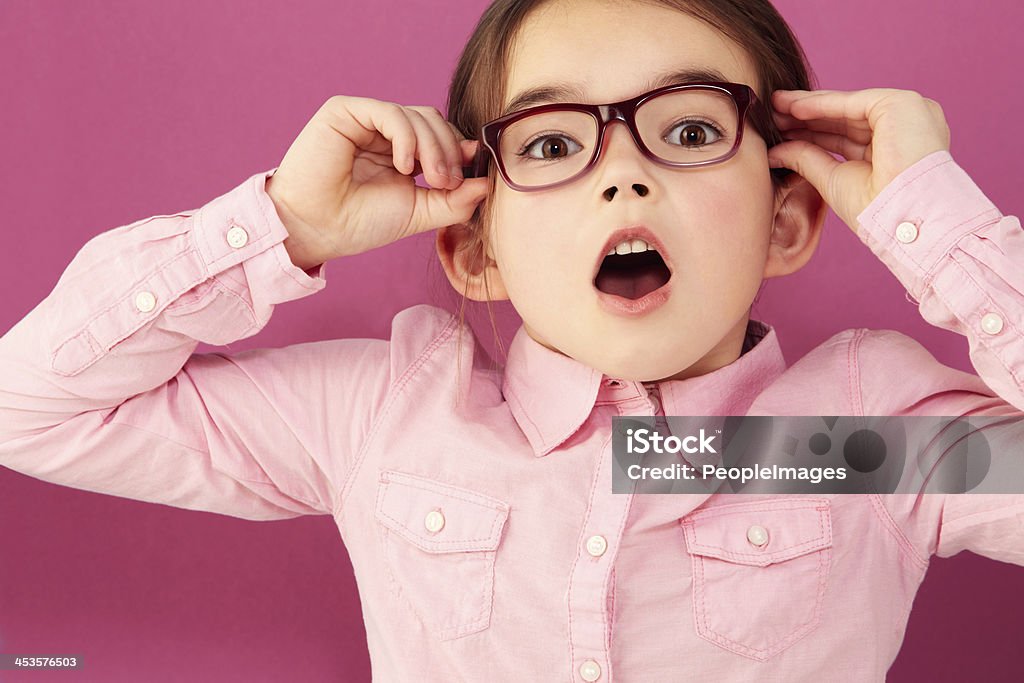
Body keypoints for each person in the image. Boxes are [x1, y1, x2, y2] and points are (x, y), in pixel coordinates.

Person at [1, 0, 1021, 679]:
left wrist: (936, 222)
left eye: (692, 129)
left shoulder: (859, 441)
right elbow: (31, 407)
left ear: (786, 220)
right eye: (549, 143)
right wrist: (286, 225)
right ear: (474, 251)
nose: (625, 174)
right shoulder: (384, 417)